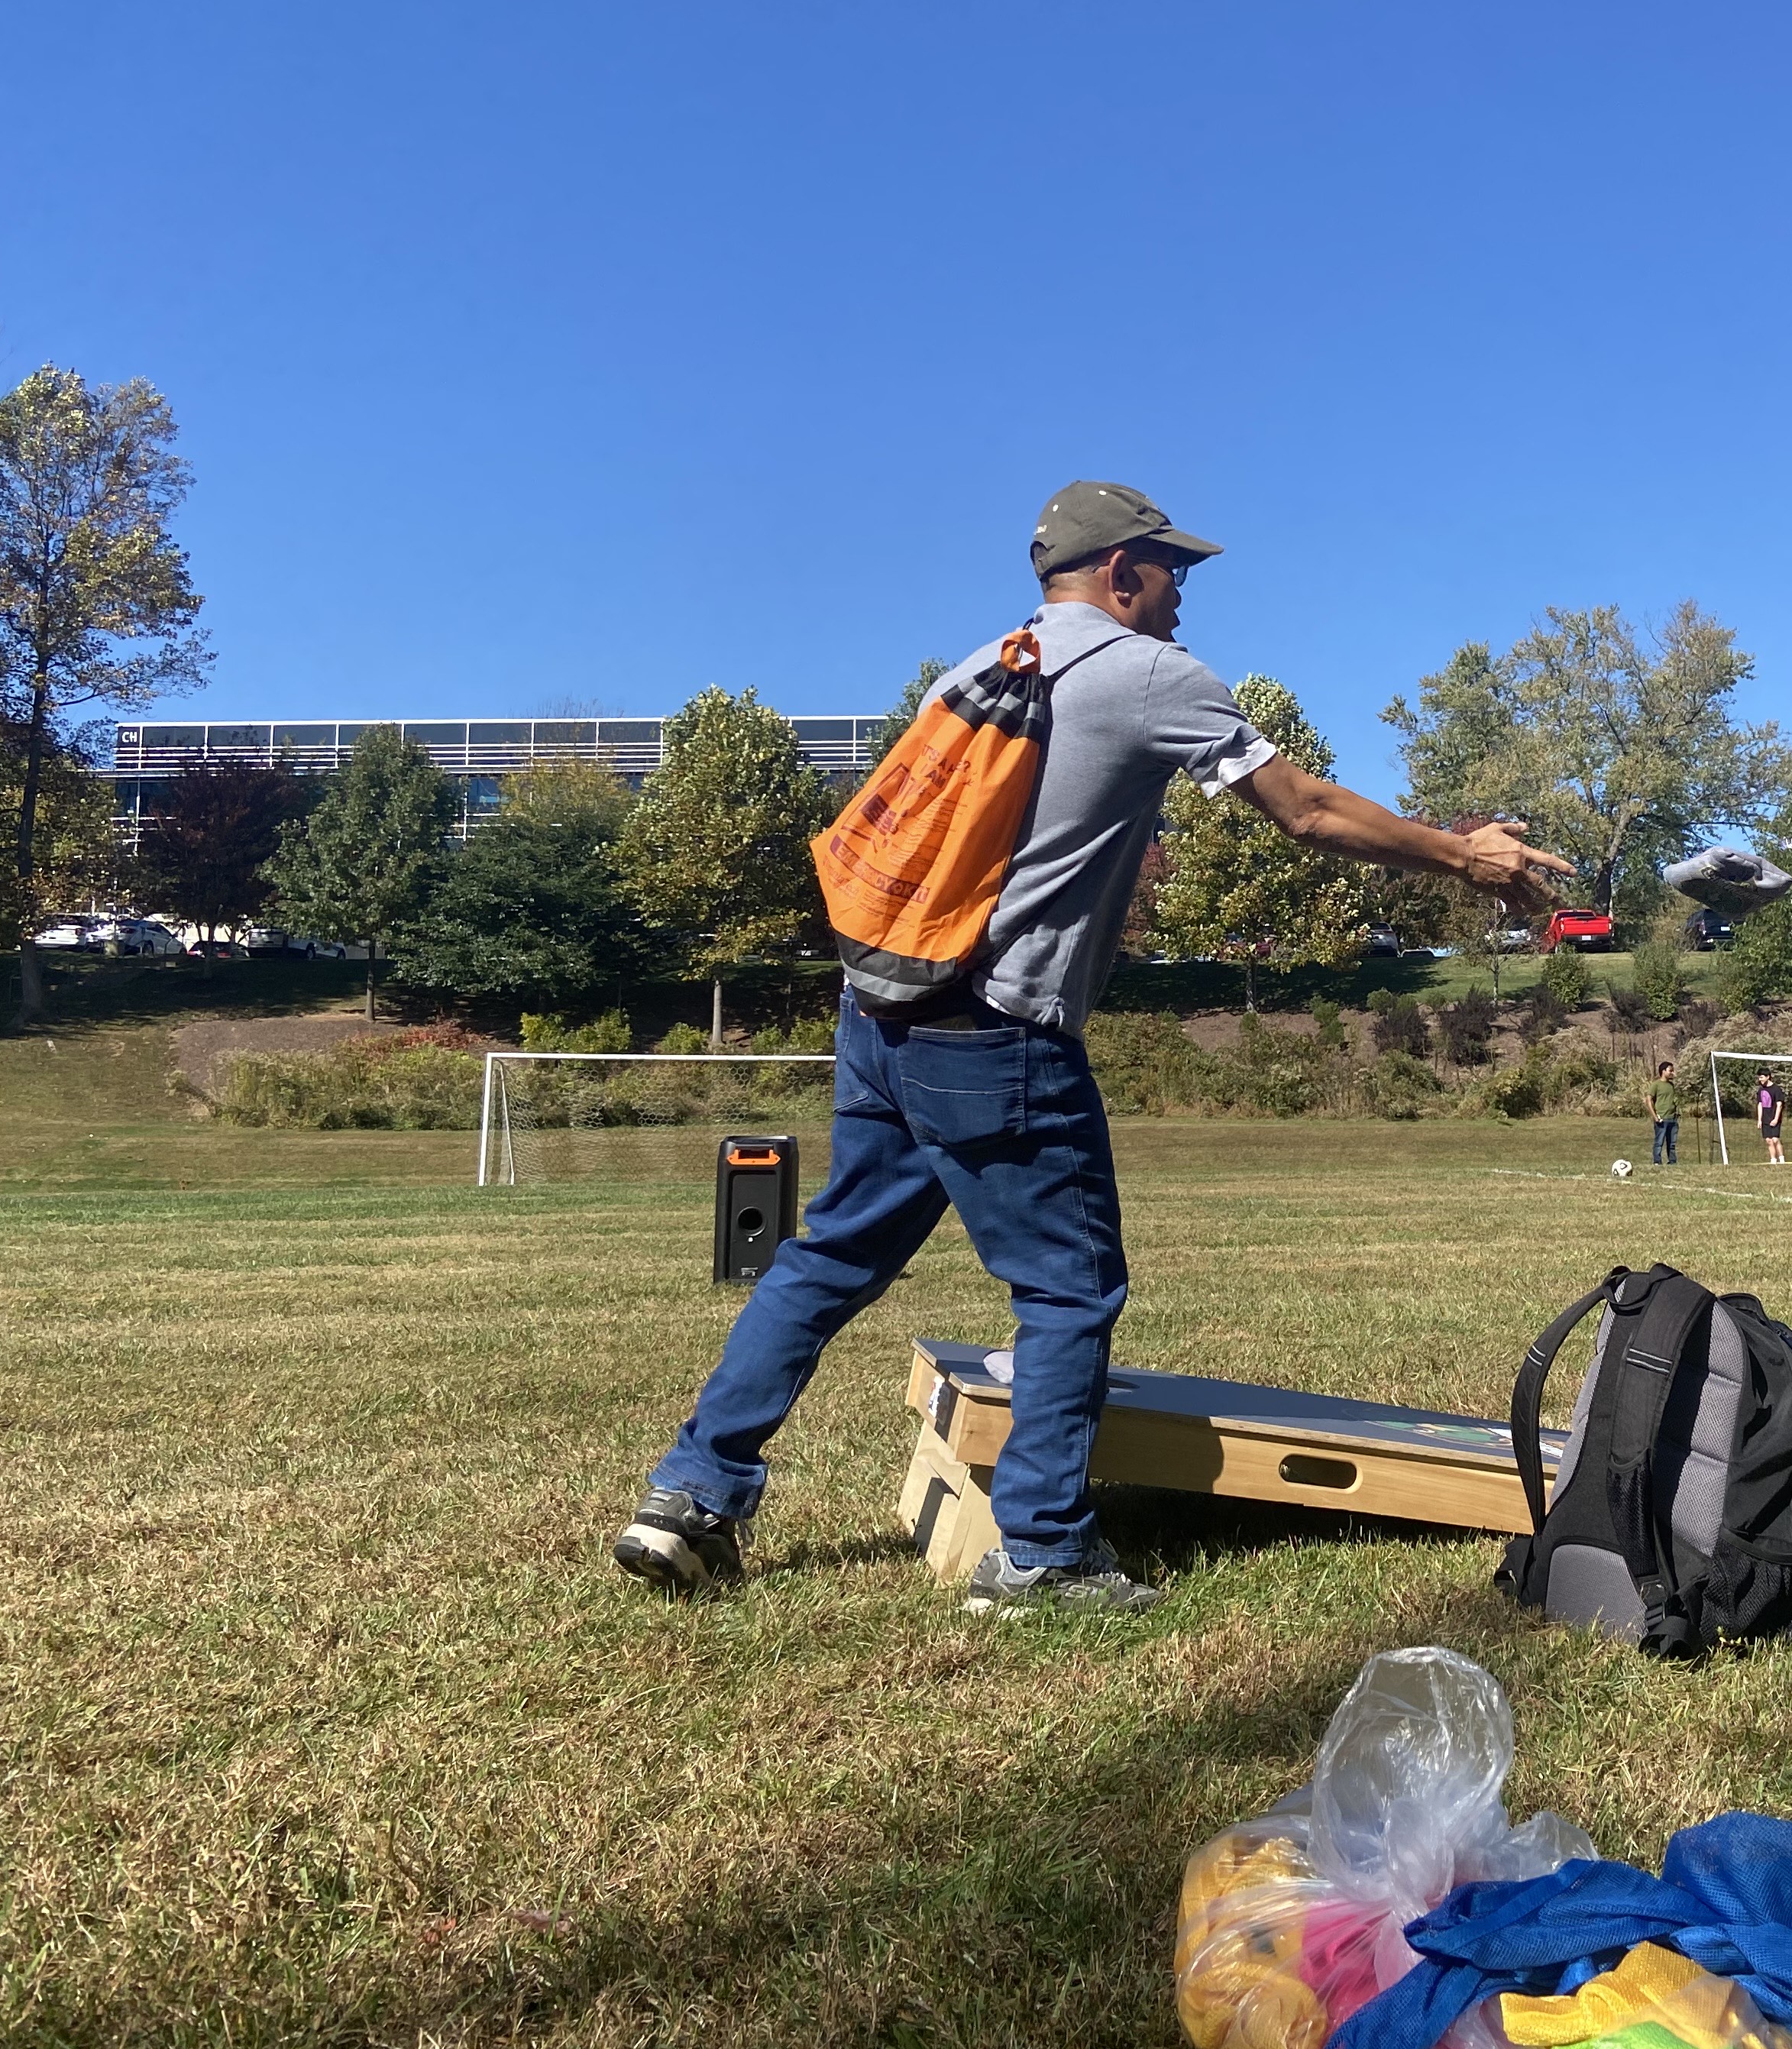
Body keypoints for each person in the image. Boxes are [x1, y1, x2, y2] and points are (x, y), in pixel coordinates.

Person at [611, 481, 1574, 1614]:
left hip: (884, 1010)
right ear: (1123, 570)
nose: (1184, 598)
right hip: (995, 1035)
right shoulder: (1149, 675)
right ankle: (1046, 1555)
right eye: (1176, 572)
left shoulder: (984, 669)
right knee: (1069, 1291)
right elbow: (1304, 809)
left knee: (828, 1260)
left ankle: (691, 1496)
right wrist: (1468, 858)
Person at [1647, 1062, 1680, 1166]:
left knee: (1672, 1143)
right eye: (1670, 1071)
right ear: (1663, 1071)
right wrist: (1655, 1116)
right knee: (1659, 1142)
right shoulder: (1656, 1084)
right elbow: (1648, 1100)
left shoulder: (1671, 1085)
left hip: (1672, 1119)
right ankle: (1657, 1161)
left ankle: (1672, 1162)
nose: (1672, 1073)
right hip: (1662, 1118)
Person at [1756, 1071, 1787, 1164]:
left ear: (1768, 1077)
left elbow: (1779, 1105)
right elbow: (1760, 1105)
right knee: (1769, 1140)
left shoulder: (1776, 1089)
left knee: (1775, 1139)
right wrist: (1759, 1120)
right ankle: (1773, 1161)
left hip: (1774, 1118)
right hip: (1765, 1118)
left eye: (1761, 1077)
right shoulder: (1761, 1090)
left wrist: (1776, 1119)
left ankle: (1781, 1159)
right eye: (1759, 1078)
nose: (1760, 1080)